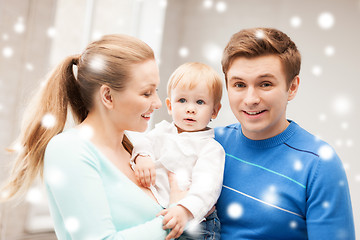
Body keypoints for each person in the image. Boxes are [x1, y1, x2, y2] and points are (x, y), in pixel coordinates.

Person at [0, 34, 186, 240]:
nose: (158, 103)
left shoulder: (138, 153)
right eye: (146, 93)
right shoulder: (69, 150)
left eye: (156, 90)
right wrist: (176, 217)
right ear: (107, 96)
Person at [214, 27, 356, 239]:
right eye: (239, 84)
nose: (251, 98)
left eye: (265, 84)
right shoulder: (209, 143)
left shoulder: (319, 165)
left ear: (292, 87)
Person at [130, 62, 225, 240]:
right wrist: (143, 156)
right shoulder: (161, 132)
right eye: (182, 100)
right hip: (163, 215)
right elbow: (143, 144)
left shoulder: (210, 148)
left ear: (215, 110)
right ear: (170, 105)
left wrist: (185, 210)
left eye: (200, 102)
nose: (190, 108)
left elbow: (207, 189)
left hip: (196, 223)